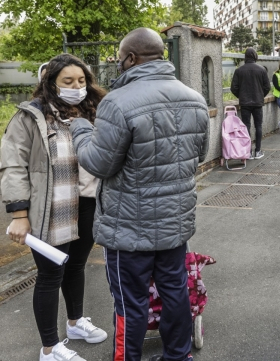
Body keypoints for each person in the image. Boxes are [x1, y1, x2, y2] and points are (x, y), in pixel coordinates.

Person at [69, 28, 210, 361]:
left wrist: (80, 130)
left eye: (120, 59)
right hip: (175, 222)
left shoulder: (117, 102)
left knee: (130, 302)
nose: (119, 64)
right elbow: (198, 155)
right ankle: (178, 355)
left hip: (128, 228)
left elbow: (99, 164)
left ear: (130, 59)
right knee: (175, 292)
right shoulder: (195, 98)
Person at [2, 53, 107, 361]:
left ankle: (75, 323)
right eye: (68, 81)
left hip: (87, 202)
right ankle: (50, 348)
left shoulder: (92, 111)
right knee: (50, 275)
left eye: (82, 80)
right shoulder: (30, 116)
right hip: (49, 208)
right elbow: (12, 165)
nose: (77, 86)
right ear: (50, 83)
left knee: (76, 266)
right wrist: (19, 214)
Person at [231, 47, 271, 159]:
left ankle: (247, 152)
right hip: (258, 102)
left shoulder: (239, 70)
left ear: (245, 57)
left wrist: (241, 96)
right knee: (258, 126)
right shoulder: (262, 70)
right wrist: (260, 95)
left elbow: (233, 88)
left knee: (246, 126)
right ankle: (258, 151)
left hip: (245, 103)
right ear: (255, 56)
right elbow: (267, 87)